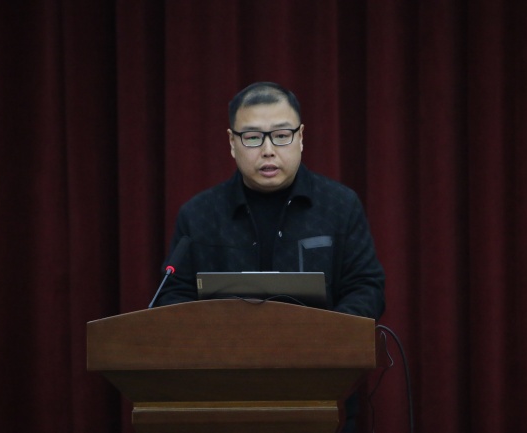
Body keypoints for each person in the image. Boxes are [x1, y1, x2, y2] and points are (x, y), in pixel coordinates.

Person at [155, 81, 385, 432]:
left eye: (281, 135)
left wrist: (321, 339)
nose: (267, 150)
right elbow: (174, 295)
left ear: (301, 137)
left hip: (320, 393)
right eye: (252, 137)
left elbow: (367, 288)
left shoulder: (340, 206)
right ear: (232, 142)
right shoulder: (199, 215)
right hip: (221, 398)